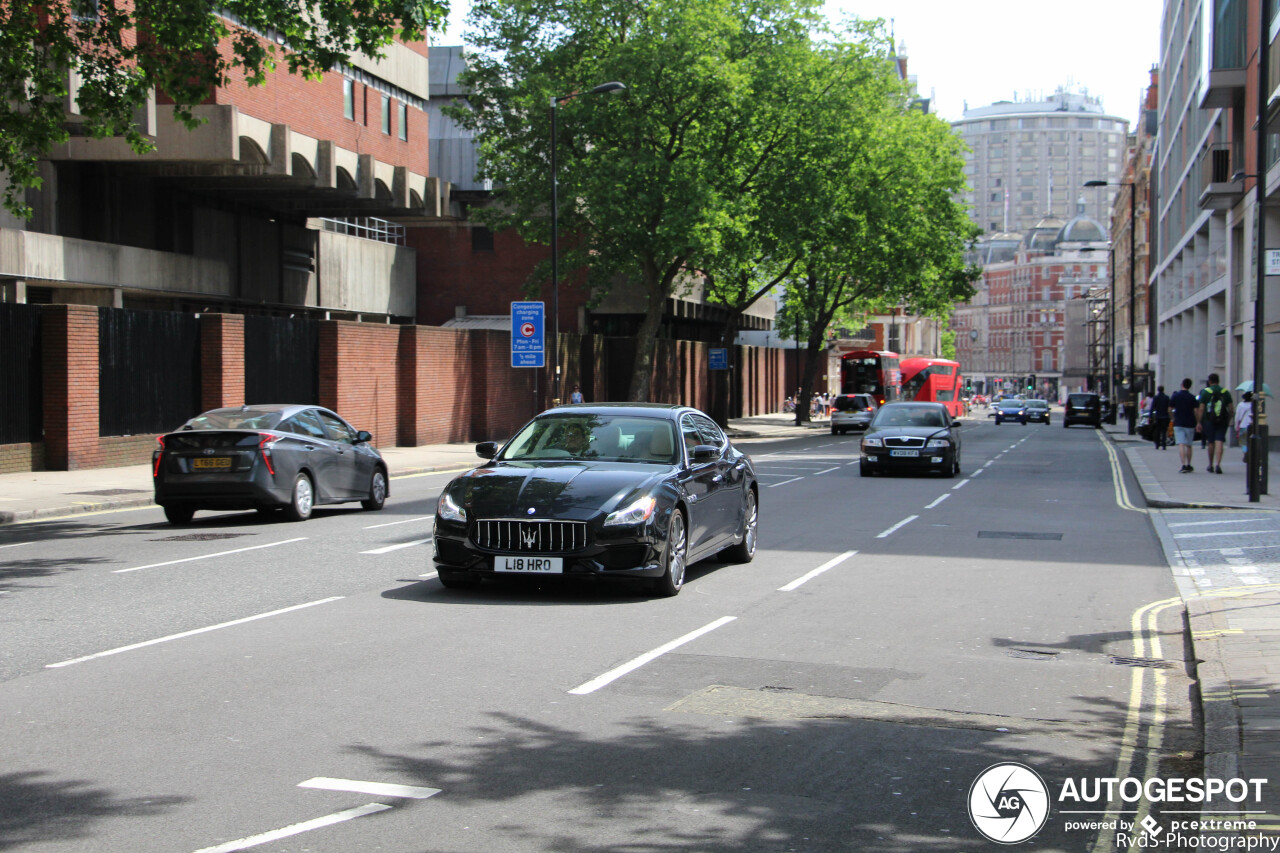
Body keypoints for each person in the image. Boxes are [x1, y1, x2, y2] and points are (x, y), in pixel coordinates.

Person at [1196, 372, 1233, 474]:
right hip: (1222, 421)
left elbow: (1201, 409)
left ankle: (1210, 464)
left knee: (1211, 442)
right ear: (1218, 381)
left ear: (1210, 381)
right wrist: (1228, 419)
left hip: (1209, 420)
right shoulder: (1225, 392)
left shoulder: (1205, 392)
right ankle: (1218, 464)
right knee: (1219, 441)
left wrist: (1199, 422)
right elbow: (1231, 409)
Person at [1170, 378, 1199, 473]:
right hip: (1190, 423)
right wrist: (1198, 422)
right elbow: (1195, 411)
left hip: (1178, 423)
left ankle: (1183, 465)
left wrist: (1173, 418)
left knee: (1181, 444)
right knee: (1189, 445)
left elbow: (1169, 409)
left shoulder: (1175, 396)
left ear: (1182, 384)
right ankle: (1189, 464)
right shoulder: (1192, 397)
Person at [1149, 385, 1171, 450]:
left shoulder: (1156, 398)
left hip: (1158, 416)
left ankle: (1157, 444)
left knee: (1157, 431)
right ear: (1163, 390)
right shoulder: (1167, 397)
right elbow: (1169, 407)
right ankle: (1164, 445)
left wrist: (1150, 416)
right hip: (1165, 416)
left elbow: (1152, 407)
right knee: (1164, 431)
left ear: (1158, 390)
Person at [1236, 391, 1254, 463]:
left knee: (1244, 442)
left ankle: (1245, 453)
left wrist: (1236, 425)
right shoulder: (1253, 405)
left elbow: (1238, 417)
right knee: (1251, 441)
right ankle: (1250, 453)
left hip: (1243, 425)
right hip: (1251, 425)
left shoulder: (1240, 405)